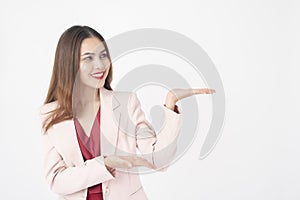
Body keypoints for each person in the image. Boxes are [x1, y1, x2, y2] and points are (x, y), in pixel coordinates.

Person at [39, 25, 215, 200]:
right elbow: (56, 180)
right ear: (69, 64)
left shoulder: (126, 104)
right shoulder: (50, 114)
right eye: (88, 58)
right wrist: (104, 164)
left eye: (103, 55)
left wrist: (170, 104)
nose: (100, 65)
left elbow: (158, 160)